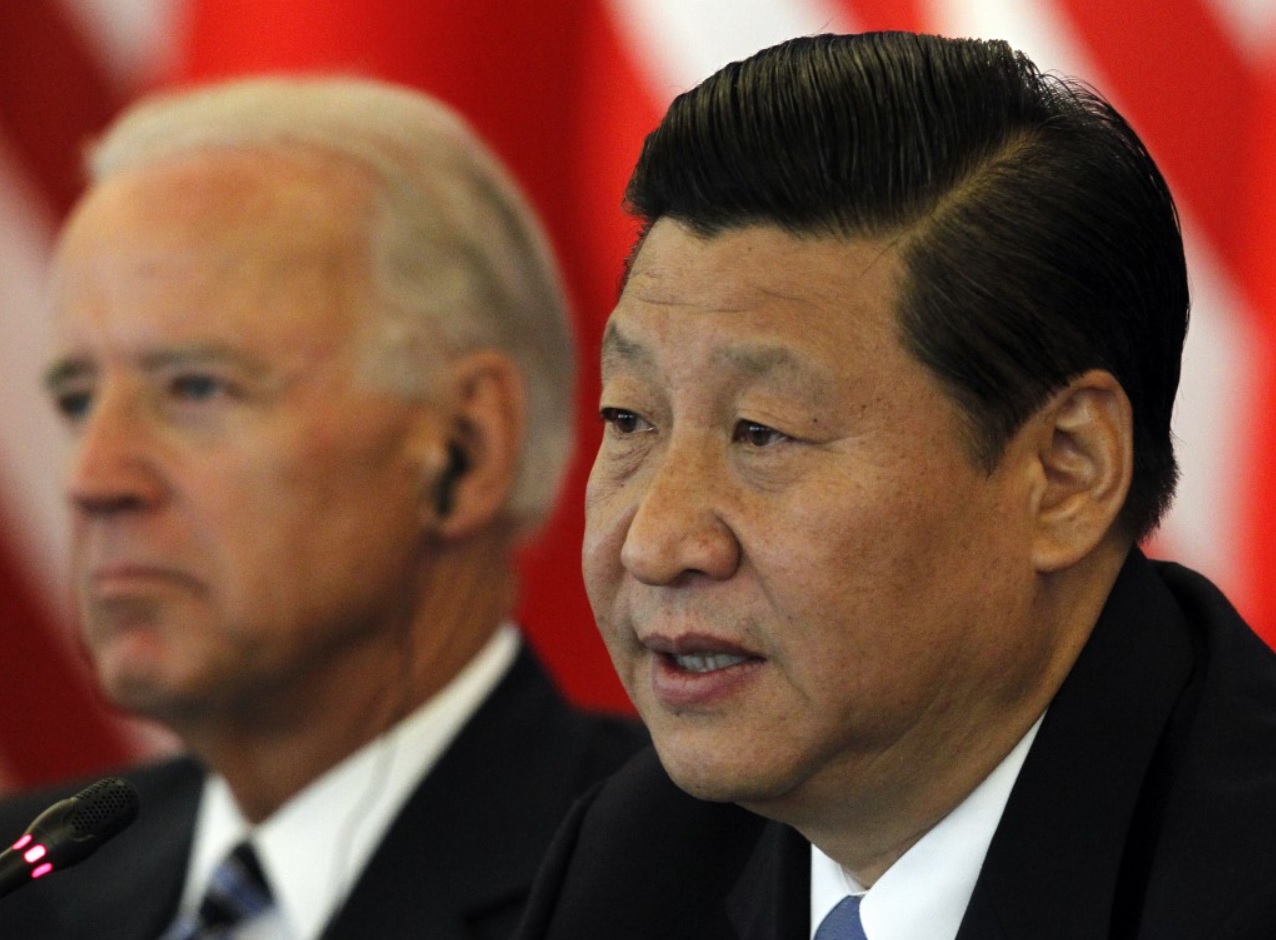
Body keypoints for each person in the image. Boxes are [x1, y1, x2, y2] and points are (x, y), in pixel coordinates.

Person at [514, 31, 1276, 940]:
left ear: (1065, 473)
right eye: (630, 419)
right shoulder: (638, 859)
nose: (655, 542)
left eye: (763, 433)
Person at [0, 75, 645, 939]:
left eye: (196, 387)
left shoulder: (684, 880)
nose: (92, 478)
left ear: (464, 447)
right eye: (78, 401)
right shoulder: (26, 882)